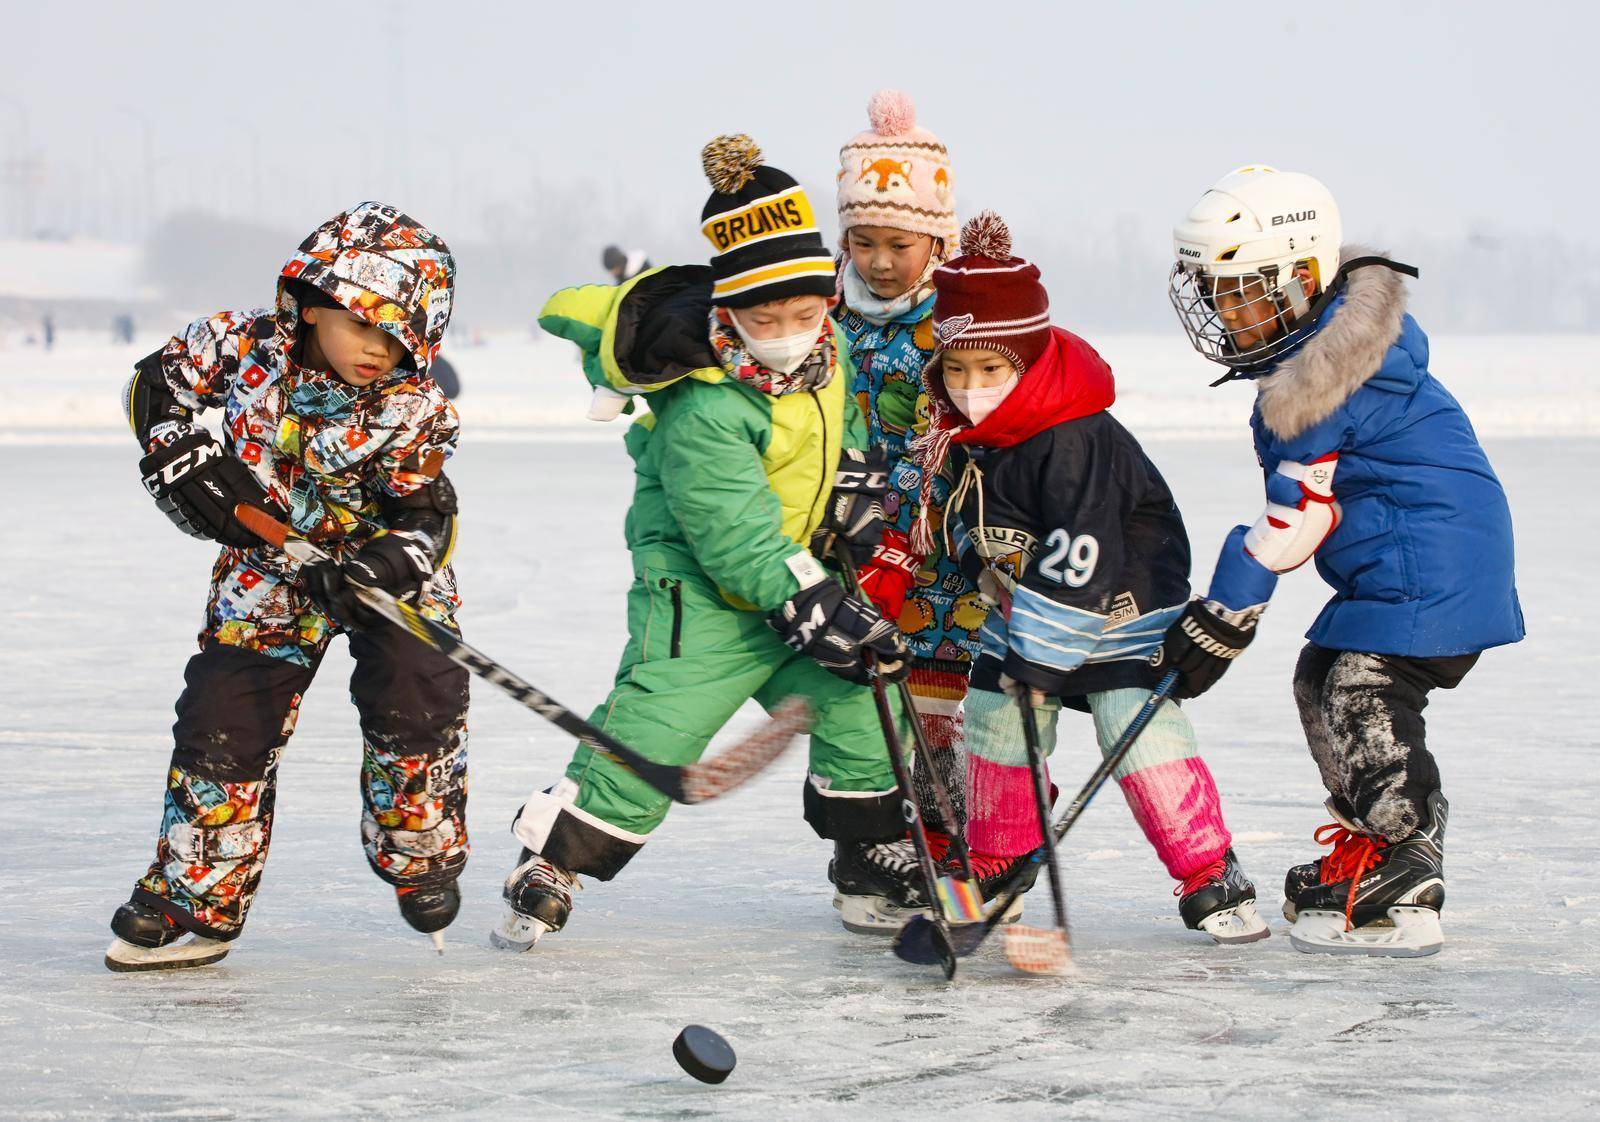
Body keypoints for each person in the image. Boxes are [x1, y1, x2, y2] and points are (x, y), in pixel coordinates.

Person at [493, 135, 924, 950]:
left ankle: (867, 859)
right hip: (707, 598)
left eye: (806, 314)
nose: (790, 334)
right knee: (656, 726)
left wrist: (857, 481)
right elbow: (733, 538)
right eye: (767, 319)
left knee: (865, 699)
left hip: (800, 578)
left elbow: (845, 421)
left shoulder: (824, 350)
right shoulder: (705, 404)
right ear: (728, 312)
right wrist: (811, 601)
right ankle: (552, 861)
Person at [1161, 165, 1524, 956]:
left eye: (1239, 291)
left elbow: (1299, 520)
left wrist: (1222, 617)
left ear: (1297, 280)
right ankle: (1374, 842)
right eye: (1215, 292)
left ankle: (1408, 849)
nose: (1225, 312)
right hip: (1411, 560)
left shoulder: (1325, 383)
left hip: (1432, 566)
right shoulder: (1328, 358)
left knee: (1364, 686)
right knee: (1318, 675)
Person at [106, 202, 468, 971]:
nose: (378, 350)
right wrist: (180, 457)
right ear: (307, 305)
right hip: (265, 577)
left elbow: (429, 520)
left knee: (418, 697)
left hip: (382, 583)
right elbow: (154, 390)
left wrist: (381, 569)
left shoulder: (416, 409)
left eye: (400, 337)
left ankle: (419, 851)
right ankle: (196, 893)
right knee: (221, 723)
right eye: (362, 325)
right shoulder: (238, 347)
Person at [912, 212, 1269, 943]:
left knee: (1131, 725)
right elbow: (962, 516)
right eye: (957, 369)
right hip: (1027, 607)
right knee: (994, 714)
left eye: (990, 371)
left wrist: (1040, 661)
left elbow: (1085, 556)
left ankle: (1211, 871)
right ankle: (999, 861)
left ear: (1029, 361)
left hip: (1120, 606)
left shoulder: (1071, 438)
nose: (972, 389)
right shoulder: (970, 434)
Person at [832, 90, 979, 853]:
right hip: (850, 544)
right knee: (861, 709)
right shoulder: (821, 315)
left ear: (937, 241)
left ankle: (961, 841)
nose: (881, 262)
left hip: (942, 551)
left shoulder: (960, 320)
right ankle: (869, 852)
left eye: (899, 244)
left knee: (940, 706)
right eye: (864, 243)